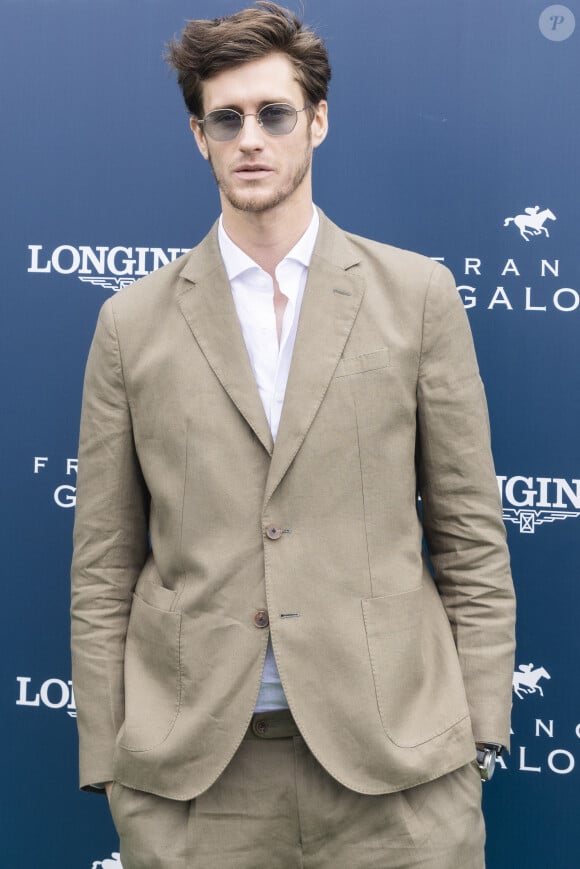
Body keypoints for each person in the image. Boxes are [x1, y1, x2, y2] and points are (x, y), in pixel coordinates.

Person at [71, 3, 516, 867]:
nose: (251, 138)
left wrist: (481, 733)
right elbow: (102, 563)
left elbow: (470, 536)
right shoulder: (129, 324)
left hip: (400, 777)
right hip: (197, 782)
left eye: (273, 113)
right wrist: (109, 763)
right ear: (199, 135)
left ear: (317, 120)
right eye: (225, 118)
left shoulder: (416, 296)